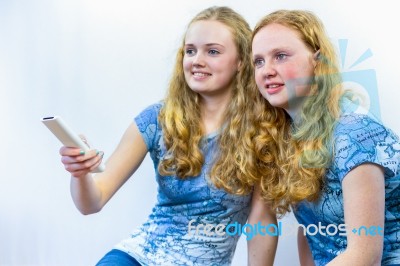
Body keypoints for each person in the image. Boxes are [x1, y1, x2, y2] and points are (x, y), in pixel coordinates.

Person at [59, 6, 277, 266]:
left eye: (213, 51)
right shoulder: (156, 120)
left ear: (241, 61)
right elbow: (91, 203)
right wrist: (81, 173)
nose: (197, 60)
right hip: (137, 257)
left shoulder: (262, 129)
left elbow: (261, 221)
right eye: (190, 50)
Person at [251, 9, 400, 266]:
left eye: (281, 56)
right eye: (259, 61)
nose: (267, 70)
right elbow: (312, 230)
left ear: (317, 61)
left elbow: (365, 256)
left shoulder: (353, 134)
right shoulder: (283, 134)